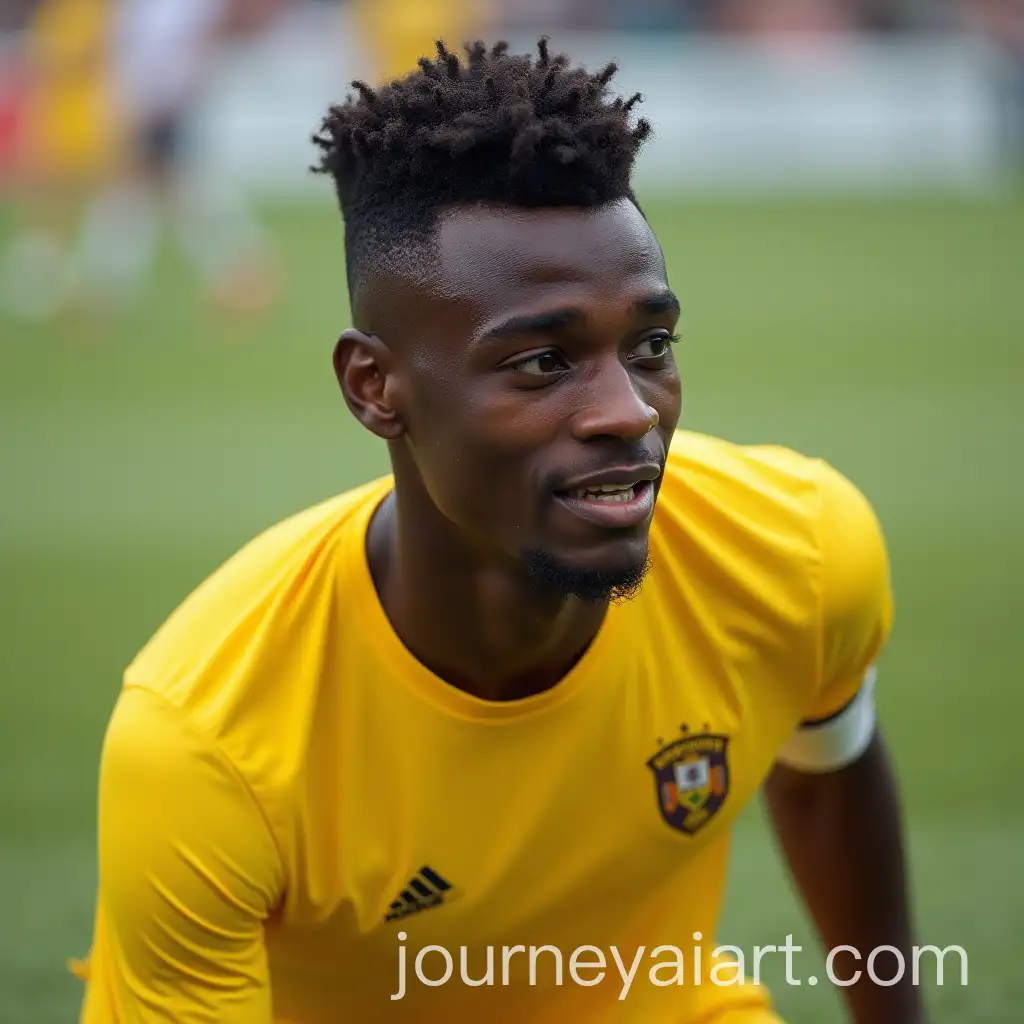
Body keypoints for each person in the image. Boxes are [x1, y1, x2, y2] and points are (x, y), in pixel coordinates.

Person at [74, 38, 927, 1024]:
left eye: (650, 345)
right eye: (541, 362)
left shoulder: (796, 549)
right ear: (374, 386)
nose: (629, 412)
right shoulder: (207, 742)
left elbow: (827, 775)